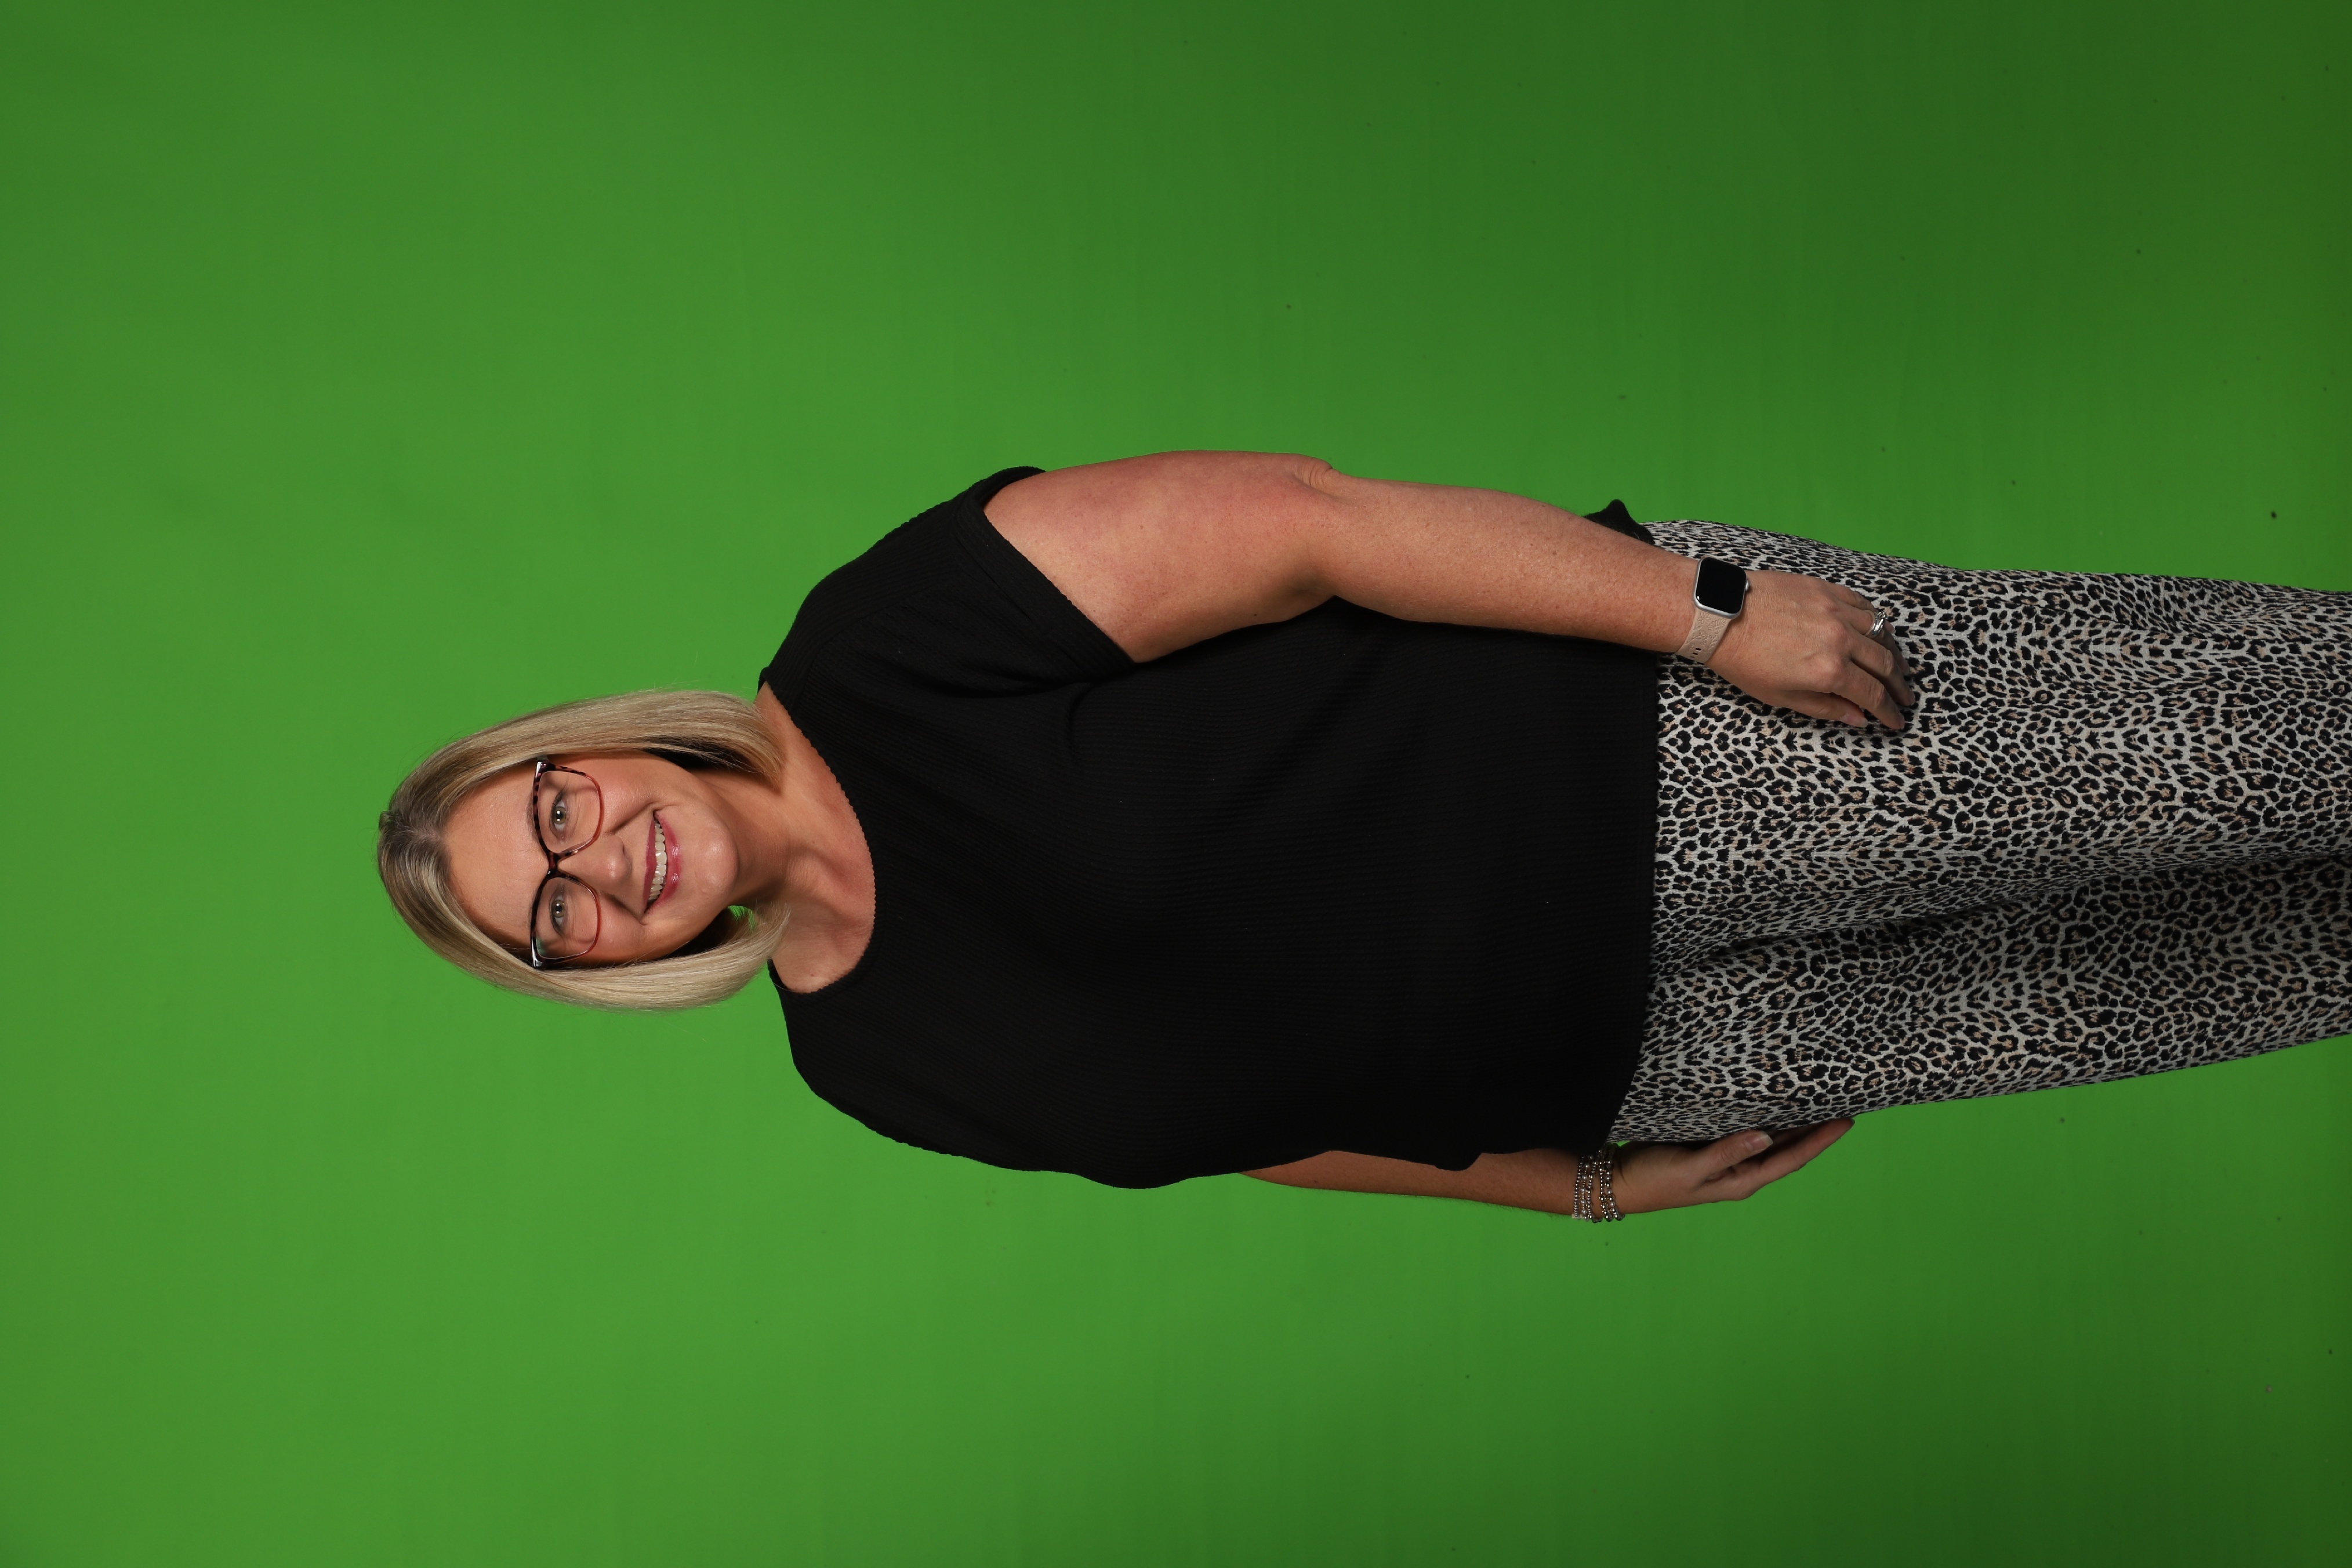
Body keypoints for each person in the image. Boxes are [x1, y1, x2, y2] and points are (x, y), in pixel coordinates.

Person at [377, 453, 2352, 1221]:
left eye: (557, 811)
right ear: (588, 972)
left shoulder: (880, 644)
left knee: (2253, 752)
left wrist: (1705, 616)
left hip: (1662, 754)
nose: (599, 867)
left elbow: (1309, 526)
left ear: (592, 750)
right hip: (1654, 1053)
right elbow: (1236, 1127)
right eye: (552, 916)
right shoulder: (866, 1064)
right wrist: (1574, 1192)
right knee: (2229, 973)